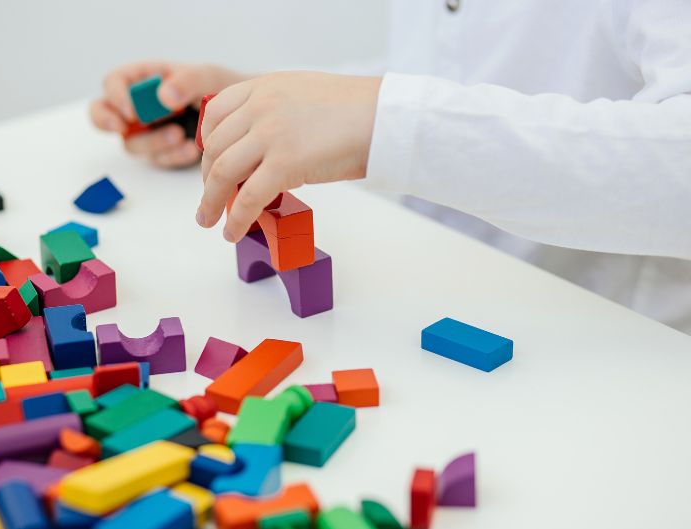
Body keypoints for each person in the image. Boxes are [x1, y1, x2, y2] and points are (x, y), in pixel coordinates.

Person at [90, 0, 691, 332]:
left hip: (612, 343)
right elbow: (452, 71)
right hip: (435, 291)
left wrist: (383, 121)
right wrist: (252, 104)